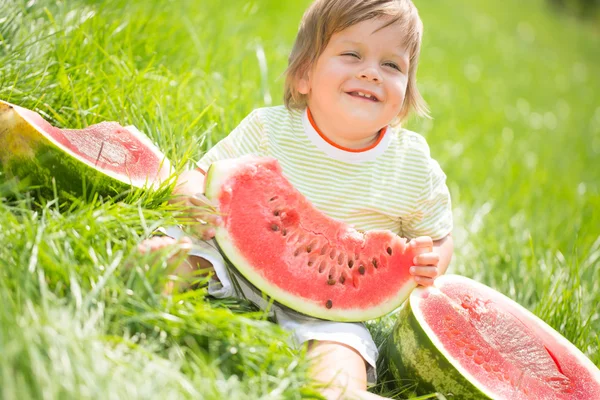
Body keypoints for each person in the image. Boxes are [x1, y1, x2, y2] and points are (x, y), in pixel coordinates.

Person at [139, 0, 453, 398]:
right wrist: (186, 194)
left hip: (334, 307)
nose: (371, 72)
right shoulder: (268, 128)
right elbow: (203, 176)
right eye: (352, 54)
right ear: (304, 75)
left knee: (342, 352)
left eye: (392, 65)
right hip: (231, 262)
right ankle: (133, 284)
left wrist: (431, 262)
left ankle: (345, 393)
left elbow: (439, 236)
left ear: (406, 91)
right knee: (181, 256)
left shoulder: (413, 165)